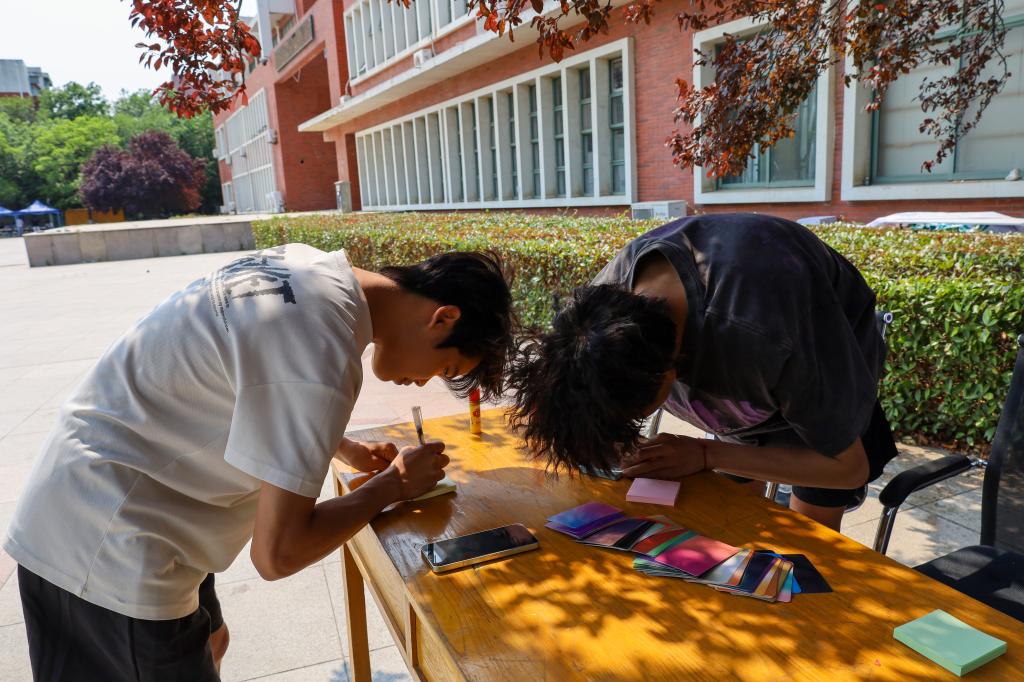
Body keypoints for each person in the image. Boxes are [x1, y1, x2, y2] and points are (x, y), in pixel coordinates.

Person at [5, 243, 514, 680]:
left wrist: (339, 445)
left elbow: (255, 376)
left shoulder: (307, 267)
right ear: (443, 317)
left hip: (95, 489)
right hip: (108, 547)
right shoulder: (323, 352)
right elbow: (278, 554)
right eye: (445, 367)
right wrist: (394, 485)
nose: (423, 382)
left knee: (213, 640)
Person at [509, 213, 898, 531]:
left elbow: (848, 469)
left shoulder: (765, 332)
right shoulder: (602, 311)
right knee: (731, 523)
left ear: (670, 374)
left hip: (815, 353)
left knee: (805, 550)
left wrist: (706, 453)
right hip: (752, 356)